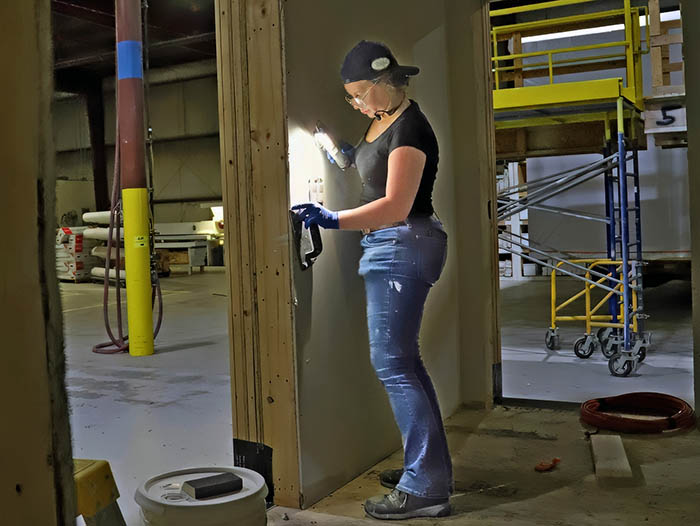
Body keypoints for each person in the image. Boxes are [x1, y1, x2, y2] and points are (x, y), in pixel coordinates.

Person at [292, 40, 452, 520]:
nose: (357, 104)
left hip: (405, 242)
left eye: (360, 94)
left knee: (394, 365)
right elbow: (367, 166)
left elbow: (395, 204)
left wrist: (331, 218)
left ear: (387, 83)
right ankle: (427, 470)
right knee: (406, 364)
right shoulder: (382, 122)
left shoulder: (411, 130)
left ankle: (425, 487)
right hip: (392, 245)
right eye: (351, 98)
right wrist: (335, 149)